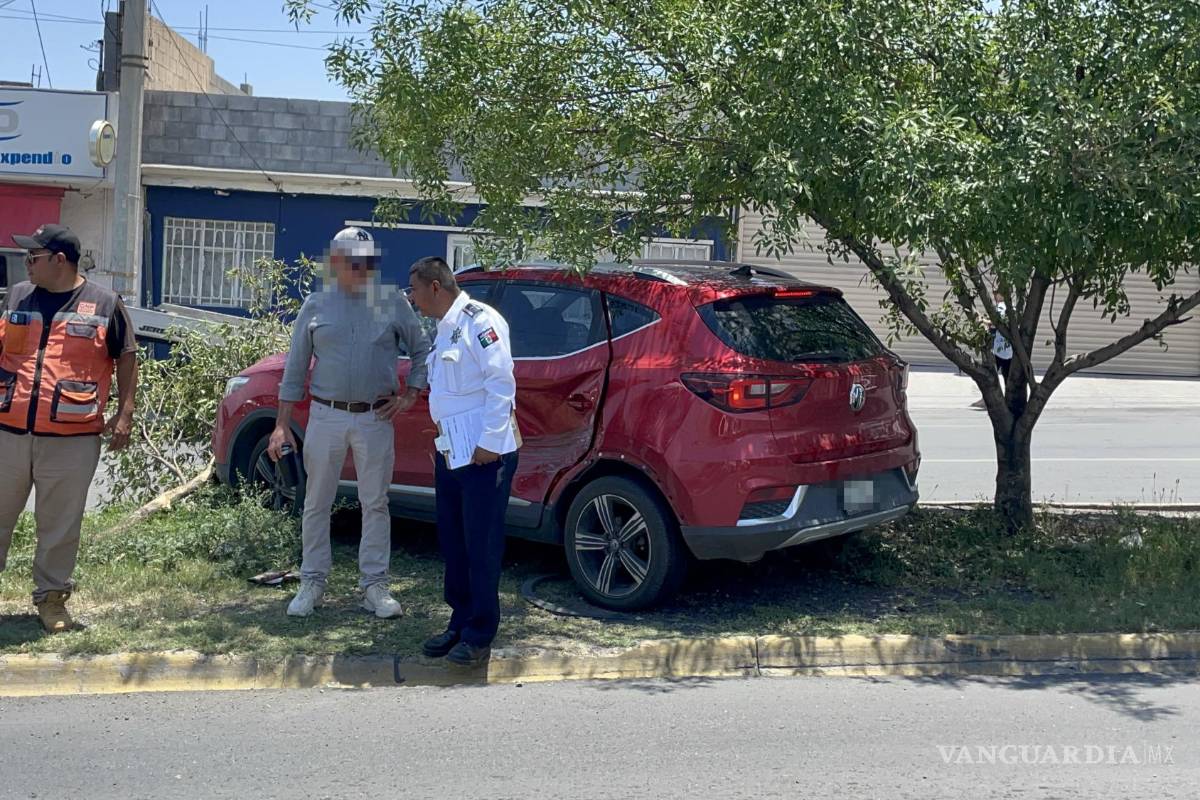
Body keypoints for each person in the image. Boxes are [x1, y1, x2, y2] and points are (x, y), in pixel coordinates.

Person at [269, 227, 431, 618]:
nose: (362, 269)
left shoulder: (392, 302)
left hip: (375, 417)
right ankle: (312, 582)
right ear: (336, 263)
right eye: (353, 261)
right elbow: (294, 368)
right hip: (325, 415)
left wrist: (410, 394)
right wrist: (281, 424)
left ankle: (374, 586)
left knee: (375, 503)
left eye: (367, 261)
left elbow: (423, 348)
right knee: (316, 502)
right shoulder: (316, 305)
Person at [0, 224, 138, 633]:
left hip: (71, 436)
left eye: (34, 257)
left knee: (59, 524)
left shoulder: (104, 303)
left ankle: (51, 600)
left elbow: (127, 357)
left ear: (59, 261)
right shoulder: (19, 295)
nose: (27, 264)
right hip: (8, 429)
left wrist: (125, 413)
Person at [407, 256, 520, 668]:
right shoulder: (445, 329)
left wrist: (491, 441)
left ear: (435, 286)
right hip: (453, 450)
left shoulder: (480, 321)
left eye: (415, 289)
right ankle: (460, 619)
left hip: (484, 453)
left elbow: (501, 381)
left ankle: (480, 632)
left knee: (481, 542)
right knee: (454, 540)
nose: (412, 298)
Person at [972, 289, 1014, 409]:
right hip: (1009, 349)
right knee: (1007, 377)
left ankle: (986, 400)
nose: (995, 295)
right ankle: (1007, 400)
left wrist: (982, 321)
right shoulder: (1012, 308)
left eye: (997, 293)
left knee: (988, 374)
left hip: (999, 349)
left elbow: (995, 323)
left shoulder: (1001, 306)